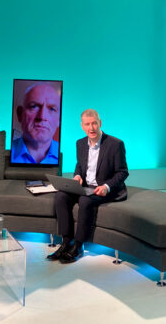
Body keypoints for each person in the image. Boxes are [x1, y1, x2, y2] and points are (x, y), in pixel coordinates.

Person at [47, 109, 129, 264]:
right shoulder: (80, 143)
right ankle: (66, 242)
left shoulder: (115, 144)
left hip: (105, 189)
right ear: (82, 126)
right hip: (86, 186)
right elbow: (80, 165)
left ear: (100, 123)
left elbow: (122, 172)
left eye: (94, 123)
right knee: (60, 196)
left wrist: (106, 186)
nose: (91, 128)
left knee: (85, 201)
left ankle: (78, 246)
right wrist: (77, 176)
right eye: (87, 124)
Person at [11, 83, 61, 164]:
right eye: (33, 106)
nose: (42, 116)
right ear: (20, 114)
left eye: (52, 109)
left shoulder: (68, 156)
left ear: (59, 120)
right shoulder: (5, 152)